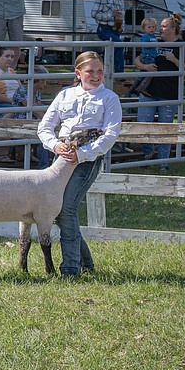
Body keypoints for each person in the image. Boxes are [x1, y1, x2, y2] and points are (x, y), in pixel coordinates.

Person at [37, 51, 122, 277]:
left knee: (67, 208)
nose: (96, 76)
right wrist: (55, 146)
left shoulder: (109, 98)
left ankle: (70, 268)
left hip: (88, 159)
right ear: (78, 73)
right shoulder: (65, 95)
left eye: (100, 71)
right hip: (62, 158)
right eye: (90, 71)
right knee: (59, 211)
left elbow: (111, 134)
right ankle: (86, 263)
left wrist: (83, 154)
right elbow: (45, 127)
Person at [134, 14, 185, 173]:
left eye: (163, 26)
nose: (159, 29)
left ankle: (163, 163)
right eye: (160, 26)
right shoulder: (155, 41)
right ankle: (148, 153)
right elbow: (137, 60)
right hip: (149, 90)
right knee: (143, 123)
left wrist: (174, 60)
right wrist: (145, 67)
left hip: (169, 92)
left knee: (165, 128)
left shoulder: (182, 45)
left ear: (173, 29)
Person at [91, 0, 126, 72]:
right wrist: (111, 15)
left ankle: (110, 71)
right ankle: (117, 72)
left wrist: (121, 26)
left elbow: (122, 14)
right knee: (118, 45)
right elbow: (94, 14)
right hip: (104, 28)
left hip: (115, 29)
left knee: (115, 49)